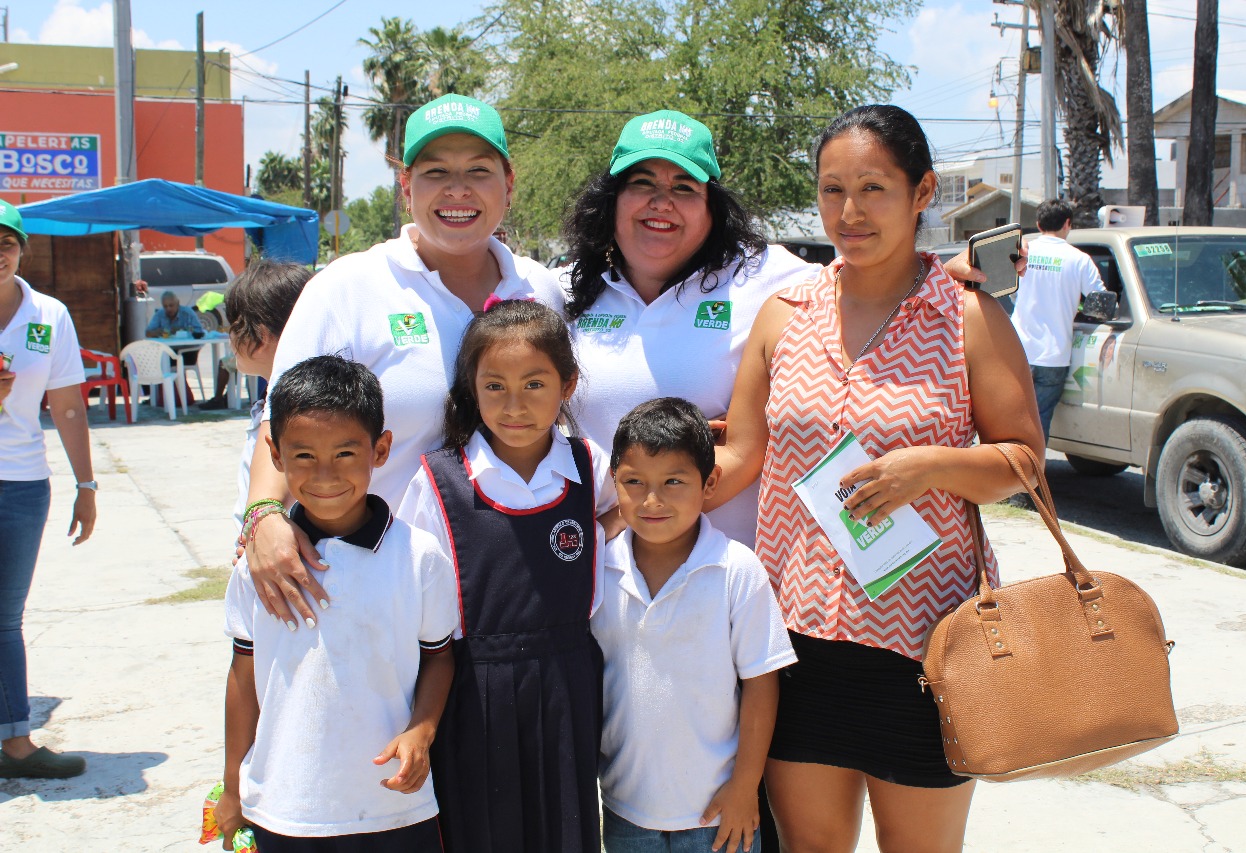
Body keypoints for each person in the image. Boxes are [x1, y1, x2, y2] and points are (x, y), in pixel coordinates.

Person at [714, 105, 1043, 852]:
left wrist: (929, 465)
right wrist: (633, 499)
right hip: (793, 646)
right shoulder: (783, 315)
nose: (849, 212)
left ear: (922, 191)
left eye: (873, 188)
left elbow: (1024, 461)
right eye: (832, 190)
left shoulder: (966, 316)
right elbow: (742, 458)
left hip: (925, 651)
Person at [245, 94, 564, 627]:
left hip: (514, 588)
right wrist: (262, 516)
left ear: (508, 185)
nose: (457, 190)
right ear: (406, 186)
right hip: (379, 592)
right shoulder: (347, 289)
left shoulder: (540, 290)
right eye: (436, 171)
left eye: (478, 171)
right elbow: (279, 419)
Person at [396, 299, 617, 853]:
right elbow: (407, 589)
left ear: (567, 385)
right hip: (474, 688)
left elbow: (627, 517)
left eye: (535, 384)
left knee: (565, 826)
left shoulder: (590, 464)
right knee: (482, 831)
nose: (514, 405)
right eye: (494, 386)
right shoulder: (438, 480)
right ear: (471, 387)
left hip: (570, 681)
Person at [217, 355, 458, 852]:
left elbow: (439, 657)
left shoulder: (417, 557)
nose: (325, 474)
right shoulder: (257, 566)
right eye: (303, 455)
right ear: (275, 454)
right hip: (283, 806)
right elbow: (243, 673)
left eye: (346, 453)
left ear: (381, 448)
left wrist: (422, 731)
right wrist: (233, 783)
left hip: (393, 805)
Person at [560, 109, 820, 548]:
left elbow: (867, 287)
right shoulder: (565, 290)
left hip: (728, 578)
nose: (662, 203)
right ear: (611, 199)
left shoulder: (766, 276)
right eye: (642, 183)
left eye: (684, 188)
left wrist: (947, 280)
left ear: (711, 209)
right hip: (603, 573)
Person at [593, 397, 796, 853]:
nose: (652, 500)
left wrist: (746, 788)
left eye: (673, 481)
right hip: (625, 806)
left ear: (710, 483)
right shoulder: (598, 570)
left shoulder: (736, 569)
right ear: (614, 483)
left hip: (720, 810)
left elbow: (762, 683)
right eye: (633, 482)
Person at [0, 201, 96, 779]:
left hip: (21, 483)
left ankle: (15, 743)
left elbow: (65, 405)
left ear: (21, 248)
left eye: (7, 241)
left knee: (5, 617)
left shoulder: (48, 315)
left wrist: (86, 483)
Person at [216, 259, 313, 544]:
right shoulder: (271, 404)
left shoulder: (301, 416)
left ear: (258, 335)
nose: (229, 337)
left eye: (233, 326)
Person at [1009, 198, 1106, 440]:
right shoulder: (1080, 259)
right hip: (1054, 356)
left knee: (1007, 419)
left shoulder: (1021, 252)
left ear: (1039, 224)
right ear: (1068, 224)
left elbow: (1006, 290)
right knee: (1039, 423)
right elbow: (1100, 301)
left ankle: (1003, 473)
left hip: (1017, 350)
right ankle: (1033, 475)